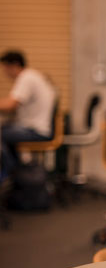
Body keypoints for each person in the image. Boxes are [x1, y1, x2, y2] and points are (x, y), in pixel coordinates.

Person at [0, 50, 57, 178]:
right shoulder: (32, 76)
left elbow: (11, 104)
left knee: (2, 133)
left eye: (5, 68)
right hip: (38, 128)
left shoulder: (26, 78)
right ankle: (15, 173)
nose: (4, 73)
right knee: (5, 130)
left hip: (37, 130)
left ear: (14, 65)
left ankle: (9, 175)